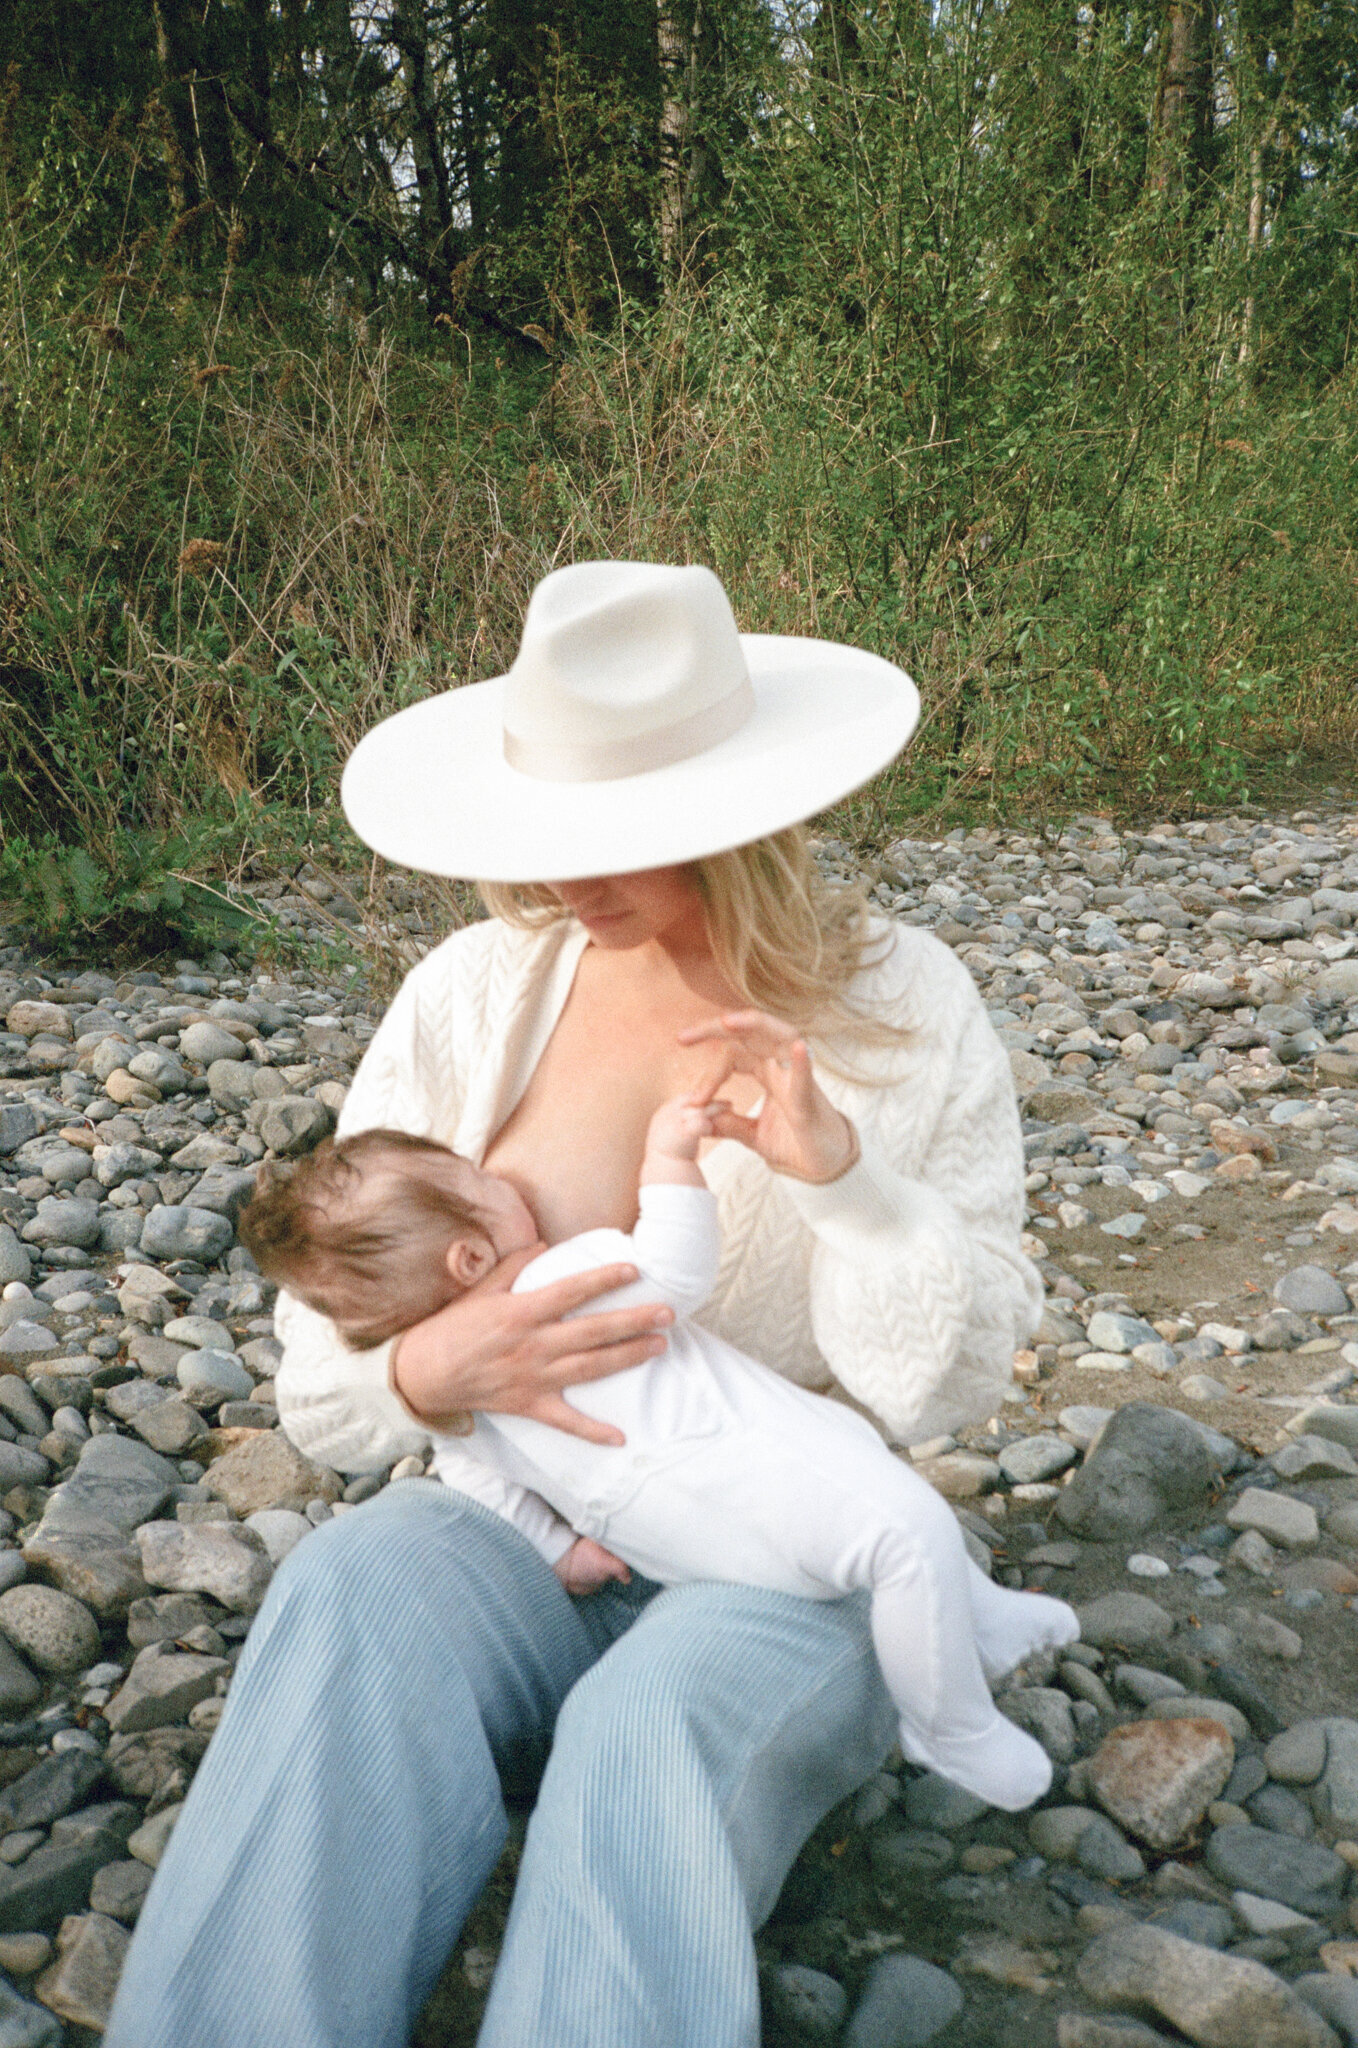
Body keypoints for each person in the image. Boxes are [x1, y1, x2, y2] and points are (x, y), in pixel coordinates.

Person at [106, 560, 1045, 2048]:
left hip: (784, 1556)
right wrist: (427, 1373)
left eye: (620, 838)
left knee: (641, 1732)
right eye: (548, 835)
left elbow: (948, 1383)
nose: (560, 880)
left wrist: (844, 1186)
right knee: (344, 1589)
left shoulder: (903, 1007)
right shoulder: (476, 992)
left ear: (744, 817)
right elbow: (321, 1360)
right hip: (515, 1522)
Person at [238, 1107, 1075, 1807]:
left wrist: (567, 1554)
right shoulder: (562, 1274)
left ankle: (986, 1620)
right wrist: (669, 1157)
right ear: (470, 1254)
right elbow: (677, 1269)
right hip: (744, 1479)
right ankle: (950, 1727)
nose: (509, 1180)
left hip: (667, 1540)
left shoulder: (461, 1404)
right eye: (486, 1185)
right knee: (905, 1536)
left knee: (863, 1471)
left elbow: (483, 1489)